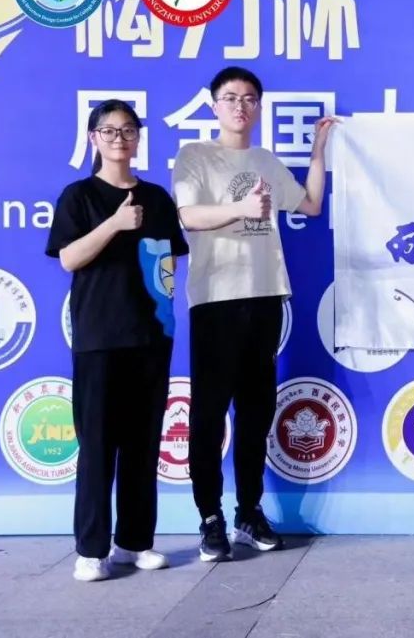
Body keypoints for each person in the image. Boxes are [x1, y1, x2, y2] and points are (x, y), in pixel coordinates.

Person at [171, 66, 334, 562]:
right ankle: (210, 517)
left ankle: (248, 511)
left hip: (265, 296)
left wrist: (317, 153)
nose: (240, 106)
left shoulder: (265, 160)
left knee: (256, 412)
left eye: (248, 98)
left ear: (258, 107)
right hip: (216, 298)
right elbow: (188, 216)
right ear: (214, 105)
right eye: (230, 98)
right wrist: (241, 209)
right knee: (208, 413)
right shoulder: (195, 155)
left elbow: (310, 205)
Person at [47, 99, 188, 582]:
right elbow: (68, 259)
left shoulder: (157, 198)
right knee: (98, 446)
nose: (120, 139)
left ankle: (134, 542)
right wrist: (113, 224)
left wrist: (162, 318)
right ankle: (91, 550)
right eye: (109, 131)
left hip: (150, 337)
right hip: (99, 338)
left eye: (129, 130)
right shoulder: (79, 196)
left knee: (142, 445)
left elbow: (169, 262)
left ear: (138, 138)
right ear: (94, 138)